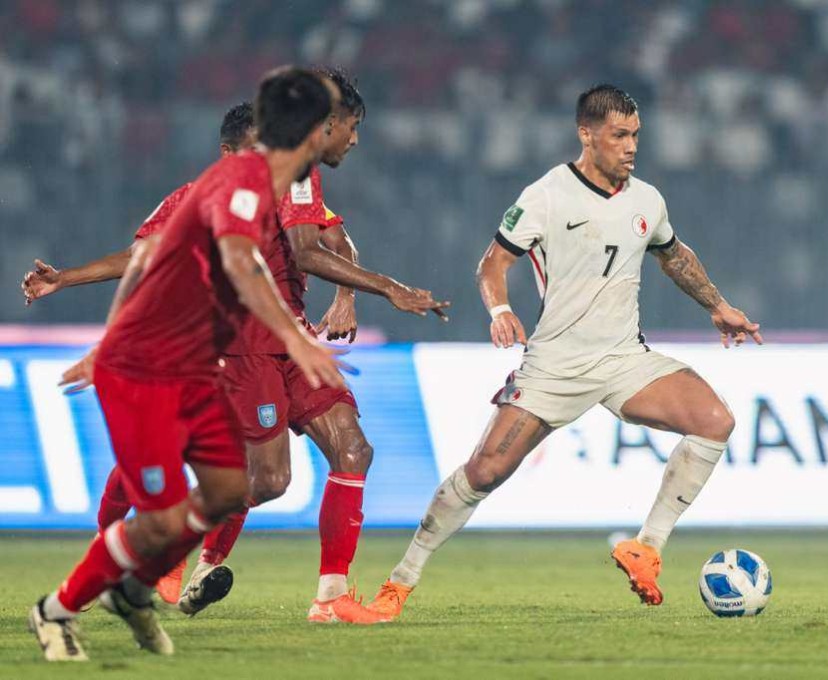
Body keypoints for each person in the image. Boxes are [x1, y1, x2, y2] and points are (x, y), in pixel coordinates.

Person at [366, 84, 763, 619]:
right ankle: (398, 584)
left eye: (636, 136)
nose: (630, 147)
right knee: (483, 472)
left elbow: (673, 254)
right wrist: (500, 311)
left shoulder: (648, 200)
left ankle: (646, 547)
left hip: (624, 359)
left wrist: (718, 305)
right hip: (554, 366)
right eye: (619, 135)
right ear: (587, 134)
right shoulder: (548, 194)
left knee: (715, 420)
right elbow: (492, 263)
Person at [28, 66, 344, 662]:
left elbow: (149, 258)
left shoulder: (270, 189)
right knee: (159, 519)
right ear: (305, 133)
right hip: (147, 371)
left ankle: (134, 587)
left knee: (232, 490)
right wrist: (295, 338)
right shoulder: (244, 182)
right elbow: (237, 262)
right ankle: (56, 610)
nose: (342, 136)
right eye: (331, 126)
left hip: (193, 364)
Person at [186, 66, 450, 625]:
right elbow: (305, 251)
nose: (355, 140)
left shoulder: (300, 170)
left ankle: (329, 600)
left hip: (292, 335)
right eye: (351, 127)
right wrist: (389, 289)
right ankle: (168, 539)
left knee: (352, 449)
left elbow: (333, 238)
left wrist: (347, 298)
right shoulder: (284, 164)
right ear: (327, 123)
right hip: (247, 337)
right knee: (269, 482)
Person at [22, 101, 258, 607]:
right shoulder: (193, 200)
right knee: (154, 471)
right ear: (227, 153)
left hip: (238, 354)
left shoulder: (275, 206)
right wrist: (67, 280)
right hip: (170, 357)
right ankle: (107, 555)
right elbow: (137, 259)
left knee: (242, 474)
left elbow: (307, 258)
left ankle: (191, 571)